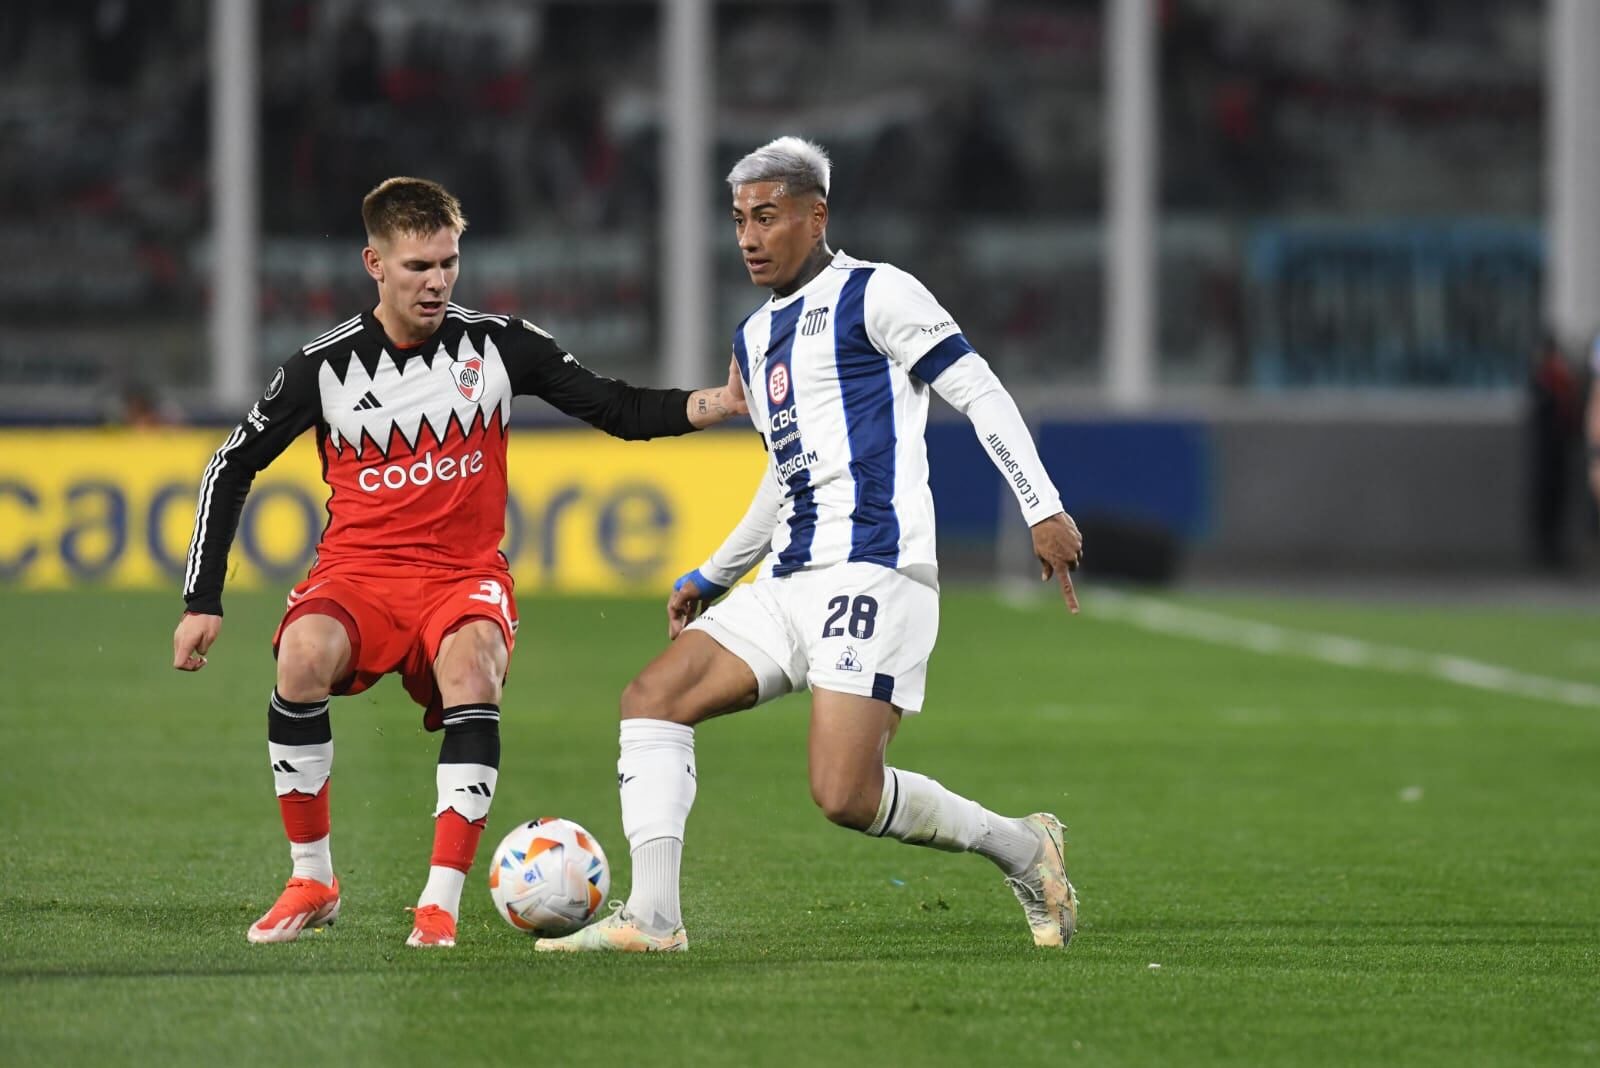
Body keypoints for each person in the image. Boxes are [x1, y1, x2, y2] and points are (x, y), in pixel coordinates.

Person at [535, 137, 1083, 954]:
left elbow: (979, 389)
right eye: (737, 221)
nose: (749, 237)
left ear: (815, 214)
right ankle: (653, 919)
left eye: (767, 216)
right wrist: (713, 573)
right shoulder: (755, 338)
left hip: (877, 568)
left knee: (843, 793)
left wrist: (1043, 506)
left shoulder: (878, 293)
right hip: (788, 579)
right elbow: (783, 474)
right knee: (651, 698)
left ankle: (1022, 848)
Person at [171, 176, 747, 948]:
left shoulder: (500, 345)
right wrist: (202, 598)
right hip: (358, 574)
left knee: (473, 670)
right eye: (418, 267)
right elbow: (229, 466)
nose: (437, 281)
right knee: (301, 657)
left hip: (461, 576)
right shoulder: (323, 367)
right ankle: (312, 878)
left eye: (448, 263)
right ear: (374, 264)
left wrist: (718, 403)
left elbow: (616, 407)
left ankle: (438, 903)